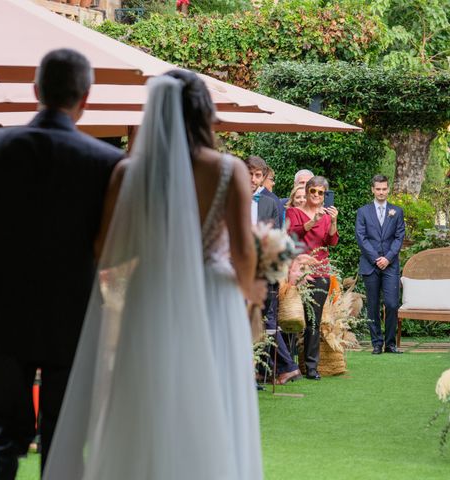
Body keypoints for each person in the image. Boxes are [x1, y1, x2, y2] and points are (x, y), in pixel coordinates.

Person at [44, 71, 265, 480]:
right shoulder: (227, 170)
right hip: (213, 301)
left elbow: (105, 251)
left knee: (148, 401)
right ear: (203, 113)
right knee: (213, 401)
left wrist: (115, 306)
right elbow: (243, 251)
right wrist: (248, 299)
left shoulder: (128, 173)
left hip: (148, 298)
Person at [0, 49, 124, 479]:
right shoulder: (106, 162)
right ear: (87, 98)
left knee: (2, 430)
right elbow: (114, 245)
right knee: (64, 436)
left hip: (4, 308)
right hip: (75, 312)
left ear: (36, 90)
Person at [245, 156, 300, 385]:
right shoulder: (230, 197)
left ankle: (257, 372)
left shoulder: (270, 203)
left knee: (259, 320)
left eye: (258, 175)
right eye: (250, 174)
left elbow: (277, 238)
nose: (254, 179)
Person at [286, 176, 339, 379]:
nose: (316, 196)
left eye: (321, 193)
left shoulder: (326, 216)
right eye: (313, 192)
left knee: (313, 321)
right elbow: (292, 234)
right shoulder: (293, 211)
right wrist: (312, 222)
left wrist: (332, 221)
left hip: (320, 272)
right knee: (291, 317)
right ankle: (288, 364)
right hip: (296, 271)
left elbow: (331, 241)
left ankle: (311, 366)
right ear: (307, 192)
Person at [355, 175, 405, 355]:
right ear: (372, 190)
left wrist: (388, 258)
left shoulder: (397, 211)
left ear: (388, 189)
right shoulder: (363, 212)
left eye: (384, 189)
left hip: (390, 265)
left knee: (392, 304)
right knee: (373, 305)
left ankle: (390, 343)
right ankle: (376, 343)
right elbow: (361, 238)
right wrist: (376, 258)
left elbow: (399, 237)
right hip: (370, 264)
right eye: (378, 189)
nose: (381, 192)